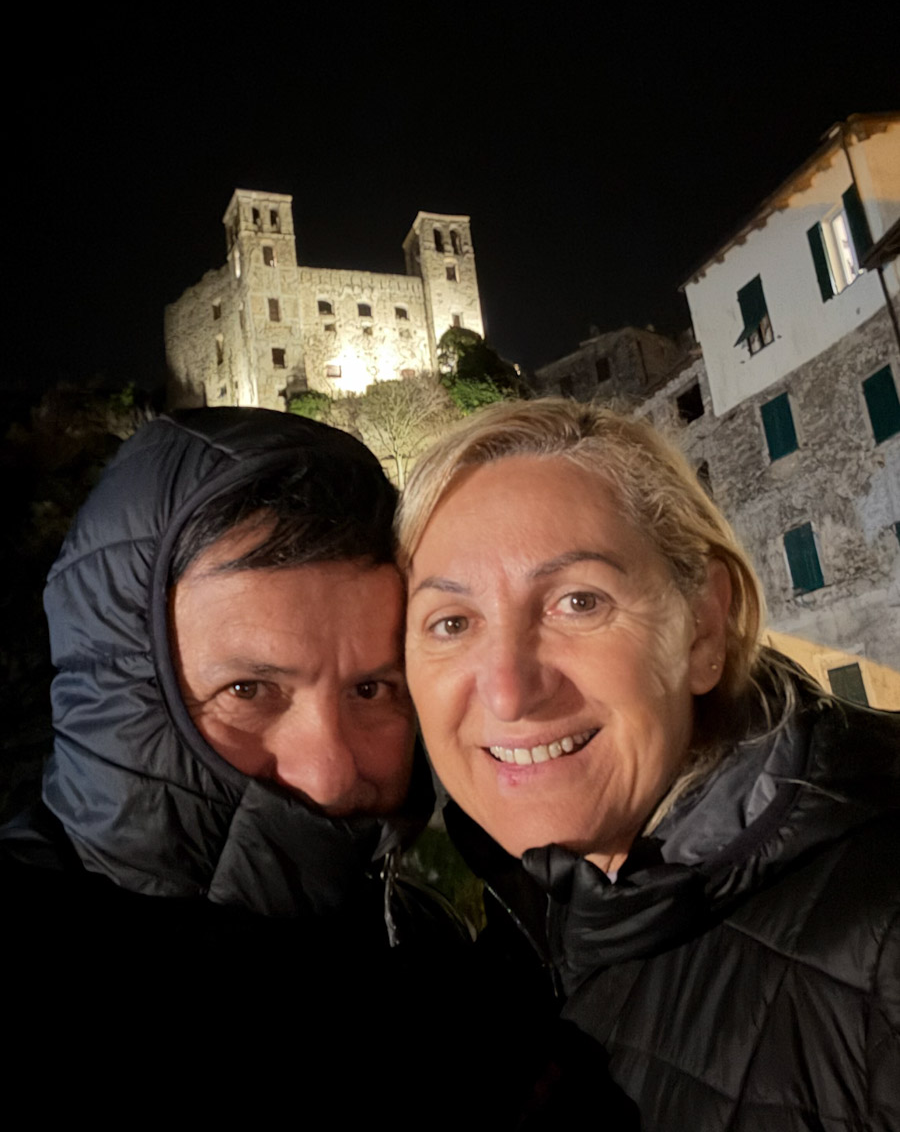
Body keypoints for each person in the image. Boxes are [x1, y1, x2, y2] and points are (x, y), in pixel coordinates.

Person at [398, 398, 900, 1132]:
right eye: (451, 623)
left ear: (702, 626)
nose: (508, 689)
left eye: (578, 601)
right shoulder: (512, 952)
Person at [1, 406, 465, 1109]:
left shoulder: (440, 964)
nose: (330, 772)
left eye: (371, 688)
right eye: (248, 690)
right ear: (128, 693)